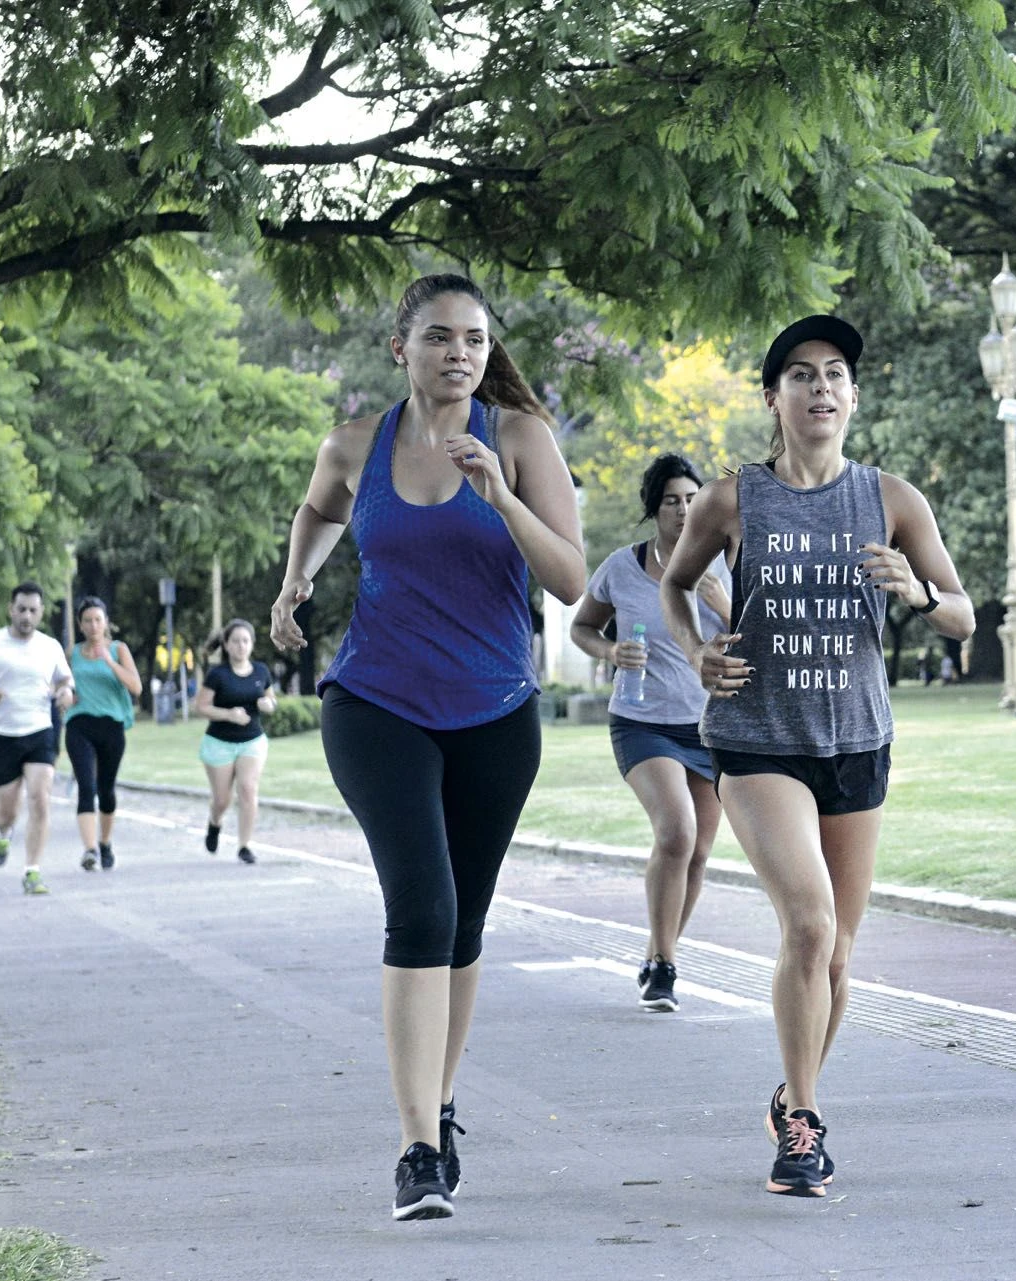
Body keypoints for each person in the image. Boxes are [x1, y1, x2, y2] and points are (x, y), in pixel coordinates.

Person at [270, 273, 584, 1221]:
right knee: (423, 907)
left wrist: (502, 497)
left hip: (494, 711)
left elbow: (570, 579)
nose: (460, 353)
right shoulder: (354, 446)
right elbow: (320, 511)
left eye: (475, 339)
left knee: (464, 923)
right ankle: (416, 1150)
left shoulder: (519, 438)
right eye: (441, 336)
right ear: (400, 348)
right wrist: (294, 583)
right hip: (377, 702)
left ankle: (439, 1108)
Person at [660, 315, 975, 1198]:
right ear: (775, 398)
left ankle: (791, 1091)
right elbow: (675, 584)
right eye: (801, 374)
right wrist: (694, 651)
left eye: (835, 373)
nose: (821, 387)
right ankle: (803, 1124)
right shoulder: (733, 500)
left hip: (857, 742)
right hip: (757, 739)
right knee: (809, 925)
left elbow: (963, 615)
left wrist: (918, 592)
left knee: (837, 957)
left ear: (854, 396)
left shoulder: (892, 499)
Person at [569, 454, 729, 1013]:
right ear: (654, 510)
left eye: (692, 499)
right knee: (677, 832)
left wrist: (723, 604)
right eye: (671, 501)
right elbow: (582, 627)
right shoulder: (622, 567)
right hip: (642, 722)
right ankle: (663, 966)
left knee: (699, 852)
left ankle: (660, 954)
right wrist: (610, 650)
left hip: (710, 726)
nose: (683, 510)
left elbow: (760, 637)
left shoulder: (726, 564)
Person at [0, 583, 75, 896]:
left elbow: (65, 679)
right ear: (11, 609)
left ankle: (32, 871)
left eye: (33, 610)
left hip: (39, 730)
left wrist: (65, 692)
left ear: (41, 613)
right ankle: (2, 832)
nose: (26, 616)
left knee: (40, 798)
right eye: (21, 609)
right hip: (1, 735)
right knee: (8, 811)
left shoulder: (49, 646)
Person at [66, 597, 142, 871]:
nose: (93, 625)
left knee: (106, 790)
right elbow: (60, 684)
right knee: (86, 787)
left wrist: (110, 662)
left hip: (111, 726)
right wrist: (66, 694)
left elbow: (136, 687)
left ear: (106, 622)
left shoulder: (118, 649)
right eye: (87, 621)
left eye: (98, 620)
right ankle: (89, 850)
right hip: (79, 725)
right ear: (80, 625)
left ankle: (105, 842)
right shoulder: (72, 653)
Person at [194, 618, 275, 864]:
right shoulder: (217, 674)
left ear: (252, 644)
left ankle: (244, 845)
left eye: (246, 641)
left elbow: (271, 701)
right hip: (219, 742)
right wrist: (229, 715)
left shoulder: (261, 671)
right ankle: (214, 822)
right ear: (227, 645)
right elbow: (201, 706)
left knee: (248, 790)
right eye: (236, 641)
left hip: (252, 741)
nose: (241, 646)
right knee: (222, 800)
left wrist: (268, 704)